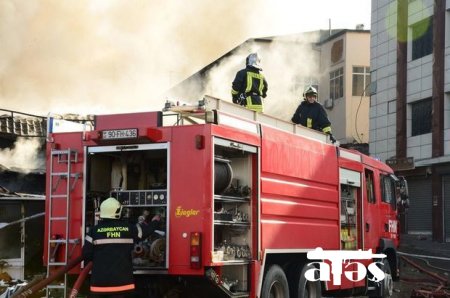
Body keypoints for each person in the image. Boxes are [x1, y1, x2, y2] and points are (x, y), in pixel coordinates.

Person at [82, 197, 160, 297]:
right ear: (118, 211)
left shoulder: (94, 231)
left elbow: (86, 254)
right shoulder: (128, 228)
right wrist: (155, 221)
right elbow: (146, 231)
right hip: (123, 287)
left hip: (99, 287)